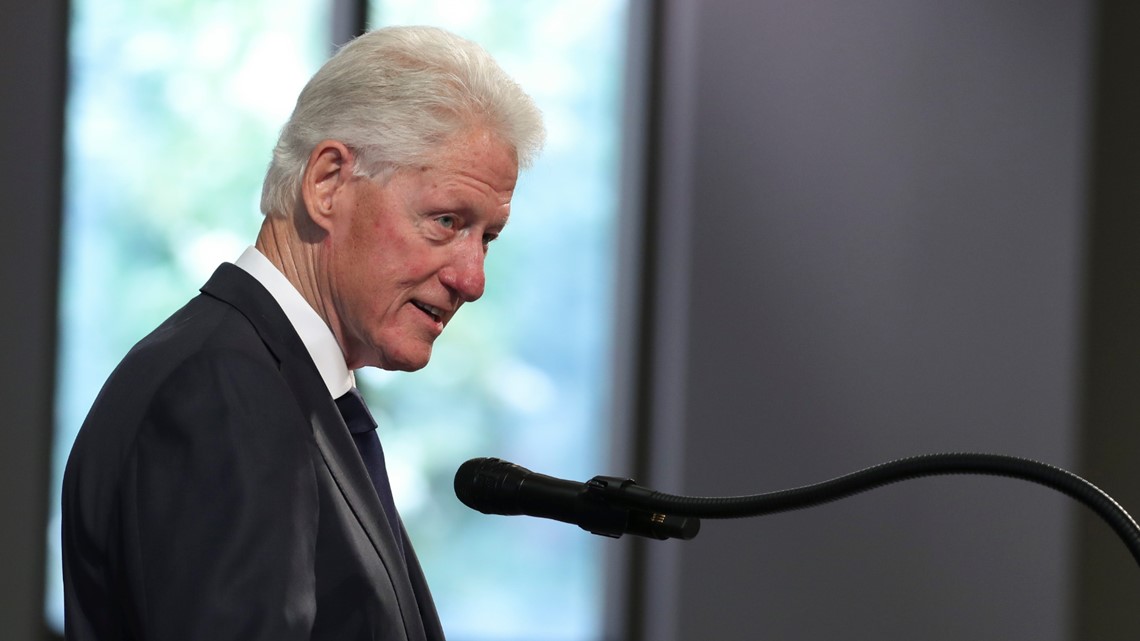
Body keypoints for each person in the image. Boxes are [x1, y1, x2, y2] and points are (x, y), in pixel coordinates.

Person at [61, 25, 544, 641]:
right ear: (327, 183)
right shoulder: (222, 393)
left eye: (487, 238)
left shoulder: (277, 383)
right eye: (446, 220)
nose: (472, 279)